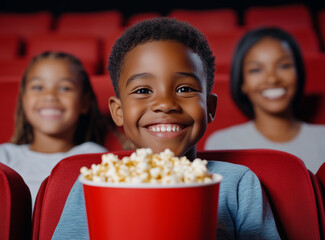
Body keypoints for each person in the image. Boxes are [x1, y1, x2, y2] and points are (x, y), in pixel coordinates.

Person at [52, 18, 280, 239]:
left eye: (184, 89)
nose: (165, 104)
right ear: (118, 112)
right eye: (143, 91)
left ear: (209, 107)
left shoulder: (238, 184)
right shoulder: (93, 186)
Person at [205, 27, 325, 174]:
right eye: (256, 70)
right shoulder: (221, 144)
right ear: (242, 83)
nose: (272, 79)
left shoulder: (322, 138)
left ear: (298, 74)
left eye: (284, 66)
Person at [0, 51, 111, 206]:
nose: (50, 96)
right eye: (38, 87)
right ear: (23, 100)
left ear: (84, 102)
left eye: (65, 88)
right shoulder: (4, 157)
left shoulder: (94, 157)